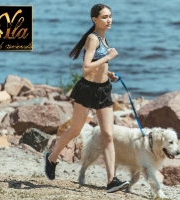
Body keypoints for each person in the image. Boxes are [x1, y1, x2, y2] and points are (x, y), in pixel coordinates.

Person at [44, 3, 130, 193]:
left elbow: (97, 67)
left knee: (108, 134)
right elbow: (86, 67)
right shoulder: (92, 38)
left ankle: (111, 181)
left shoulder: (104, 39)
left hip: (103, 90)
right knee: (75, 130)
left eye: (110, 16)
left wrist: (109, 74)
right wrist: (108, 58)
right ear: (94, 20)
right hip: (87, 90)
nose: (109, 20)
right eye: (105, 17)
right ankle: (51, 158)